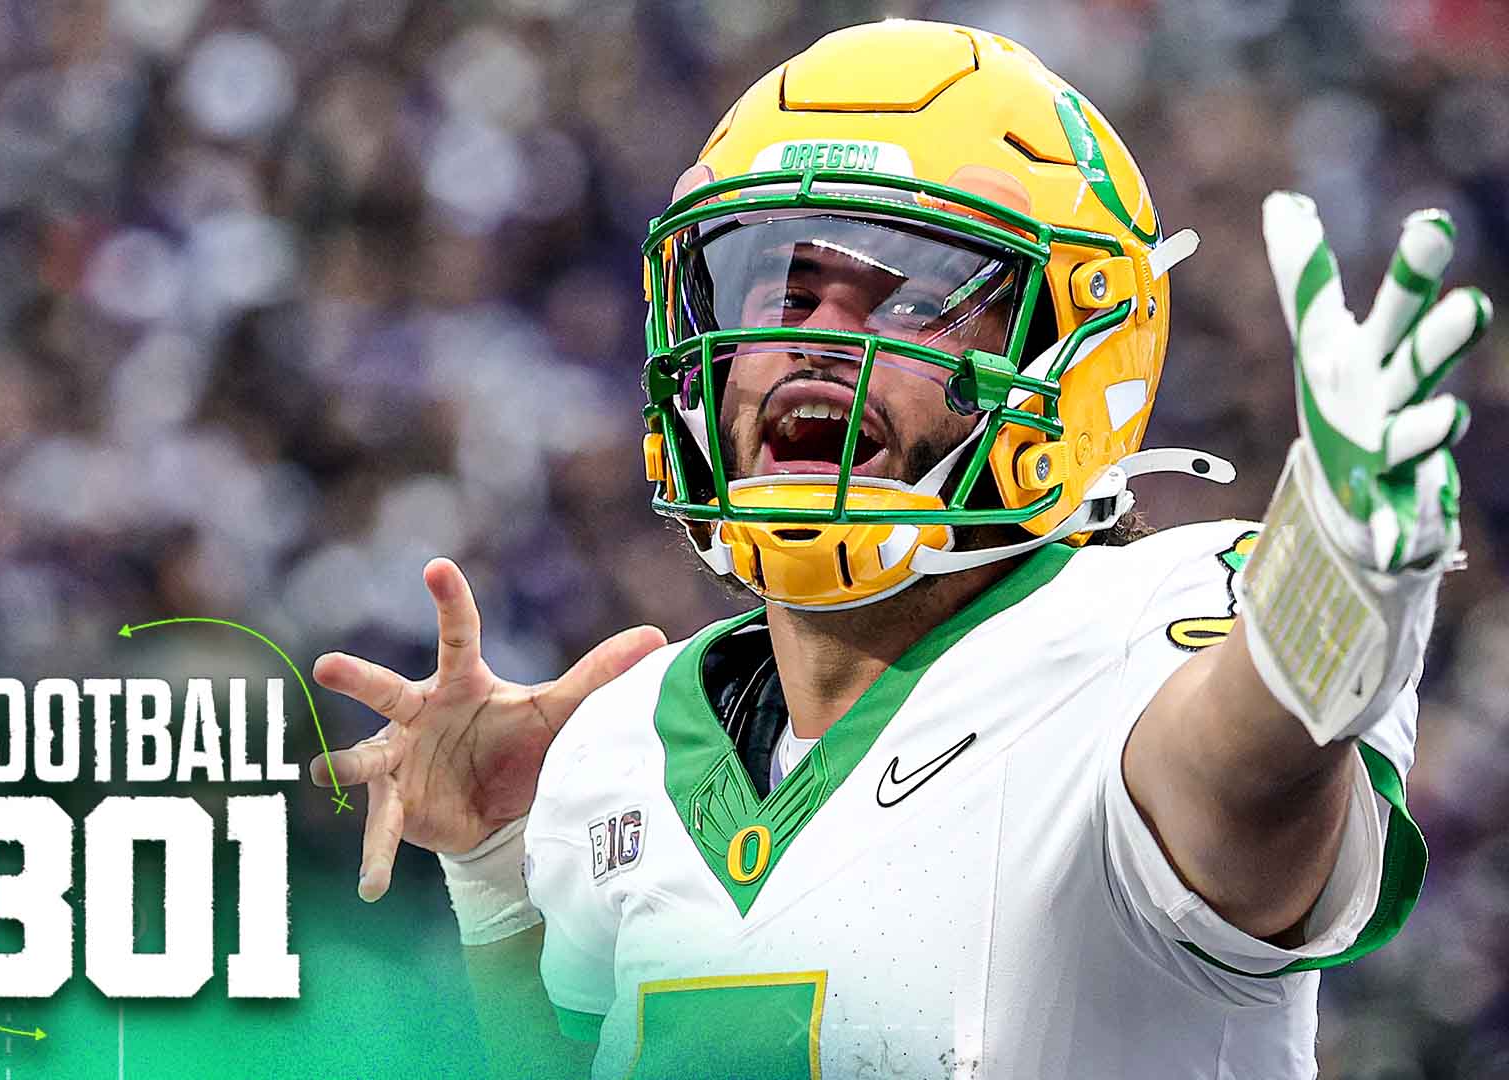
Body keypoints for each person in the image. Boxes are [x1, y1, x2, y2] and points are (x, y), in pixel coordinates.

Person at [309, 19, 1493, 1079]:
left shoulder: (1149, 621)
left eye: (908, 294)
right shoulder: (620, 740)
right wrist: (498, 878)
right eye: (777, 284)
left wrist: (1334, 581)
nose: (812, 339)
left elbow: (1240, 787)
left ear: (1072, 354)